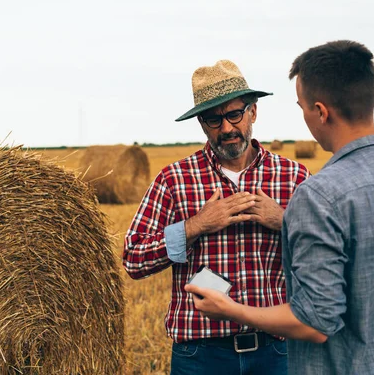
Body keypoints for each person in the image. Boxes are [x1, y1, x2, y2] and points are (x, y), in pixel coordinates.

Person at [185, 40, 374, 374]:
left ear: (320, 111)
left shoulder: (317, 194)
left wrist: (233, 310)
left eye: (302, 107)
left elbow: (316, 322)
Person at [123, 59, 310, 375]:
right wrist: (195, 226)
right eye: (213, 119)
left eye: (234, 114)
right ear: (201, 123)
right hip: (200, 356)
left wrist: (285, 222)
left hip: (276, 351)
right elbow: (134, 259)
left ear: (252, 111)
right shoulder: (174, 179)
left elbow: (329, 254)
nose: (226, 128)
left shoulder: (292, 176)